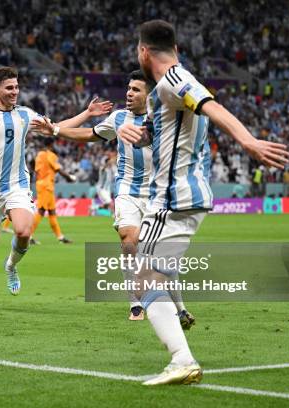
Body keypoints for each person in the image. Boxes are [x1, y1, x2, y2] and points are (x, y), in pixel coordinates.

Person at [117, 20, 289, 385]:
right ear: (175, 47)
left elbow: (213, 107)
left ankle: (182, 359)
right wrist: (138, 134)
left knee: (145, 281)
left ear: (143, 52)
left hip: (172, 200)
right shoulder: (167, 88)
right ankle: (182, 357)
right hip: (183, 200)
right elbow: (163, 133)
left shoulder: (175, 79)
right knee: (152, 277)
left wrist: (248, 141)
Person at [32, 70, 196, 324]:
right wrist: (55, 130)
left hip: (157, 195)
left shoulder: (165, 121)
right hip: (127, 191)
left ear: (149, 95)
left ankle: (181, 308)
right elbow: (89, 135)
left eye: (136, 90)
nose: (129, 94)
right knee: (129, 241)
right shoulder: (118, 118)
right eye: (128, 89)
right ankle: (135, 304)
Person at [0, 66, 112, 312]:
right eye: (9, 87)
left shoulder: (25, 115)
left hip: (17, 186)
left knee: (24, 232)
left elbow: (56, 126)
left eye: (17, 87)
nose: (15, 91)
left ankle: (11, 266)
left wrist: (87, 113)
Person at [31, 137, 75, 244]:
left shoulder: (39, 155)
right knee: (41, 210)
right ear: (51, 144)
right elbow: (58, 169)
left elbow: (33, 166)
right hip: (46, 185)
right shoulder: (50, 155)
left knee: (52, 212)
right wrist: (69, 177)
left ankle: (60, 237)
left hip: (42, 184)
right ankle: (28, 236)